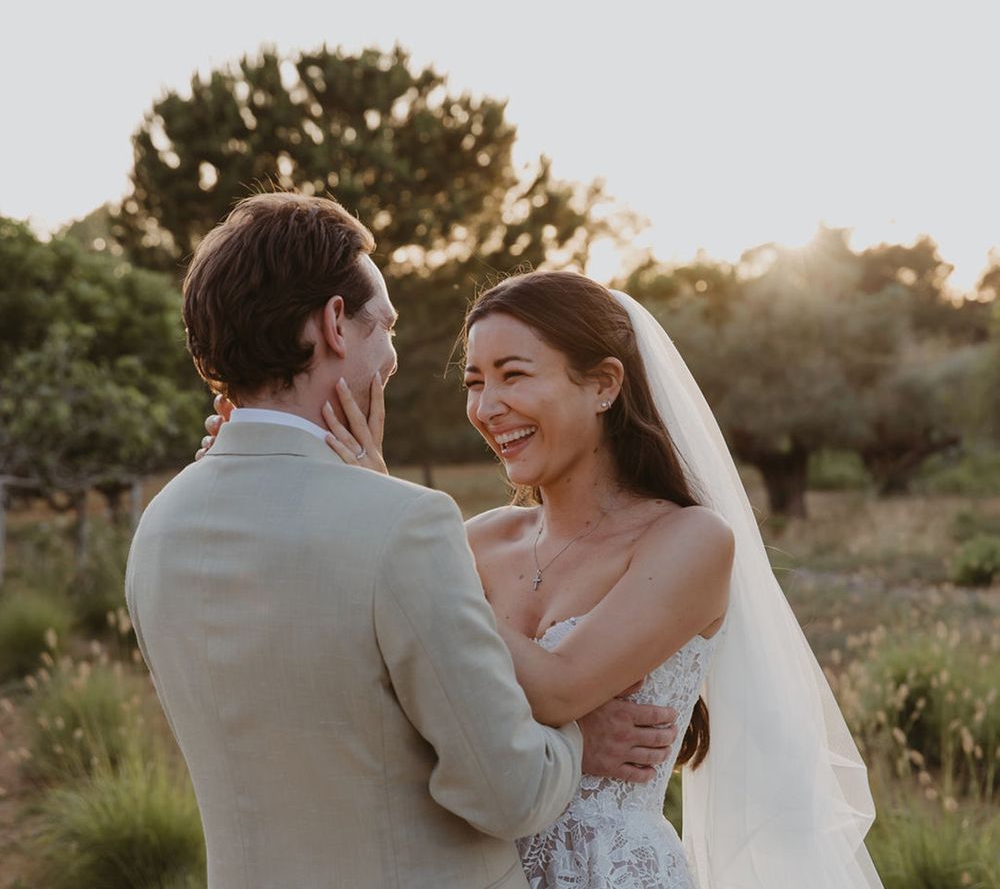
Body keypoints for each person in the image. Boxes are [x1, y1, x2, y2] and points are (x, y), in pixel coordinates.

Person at [127, 193, 677, 889]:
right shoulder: (403, 528)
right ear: (334, 324)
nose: (391, 356)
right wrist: (574, 741)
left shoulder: (160, 526)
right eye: (383, 326)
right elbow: (510, 793)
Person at [319, 271, 885, 888]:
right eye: (475, 383)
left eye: (514, 375)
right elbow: (403, 708)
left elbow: (560, 688)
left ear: (603, 385)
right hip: (471, 866)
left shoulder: (690, 541)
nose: (486, 407)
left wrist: (413, 560)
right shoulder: (474, 541)